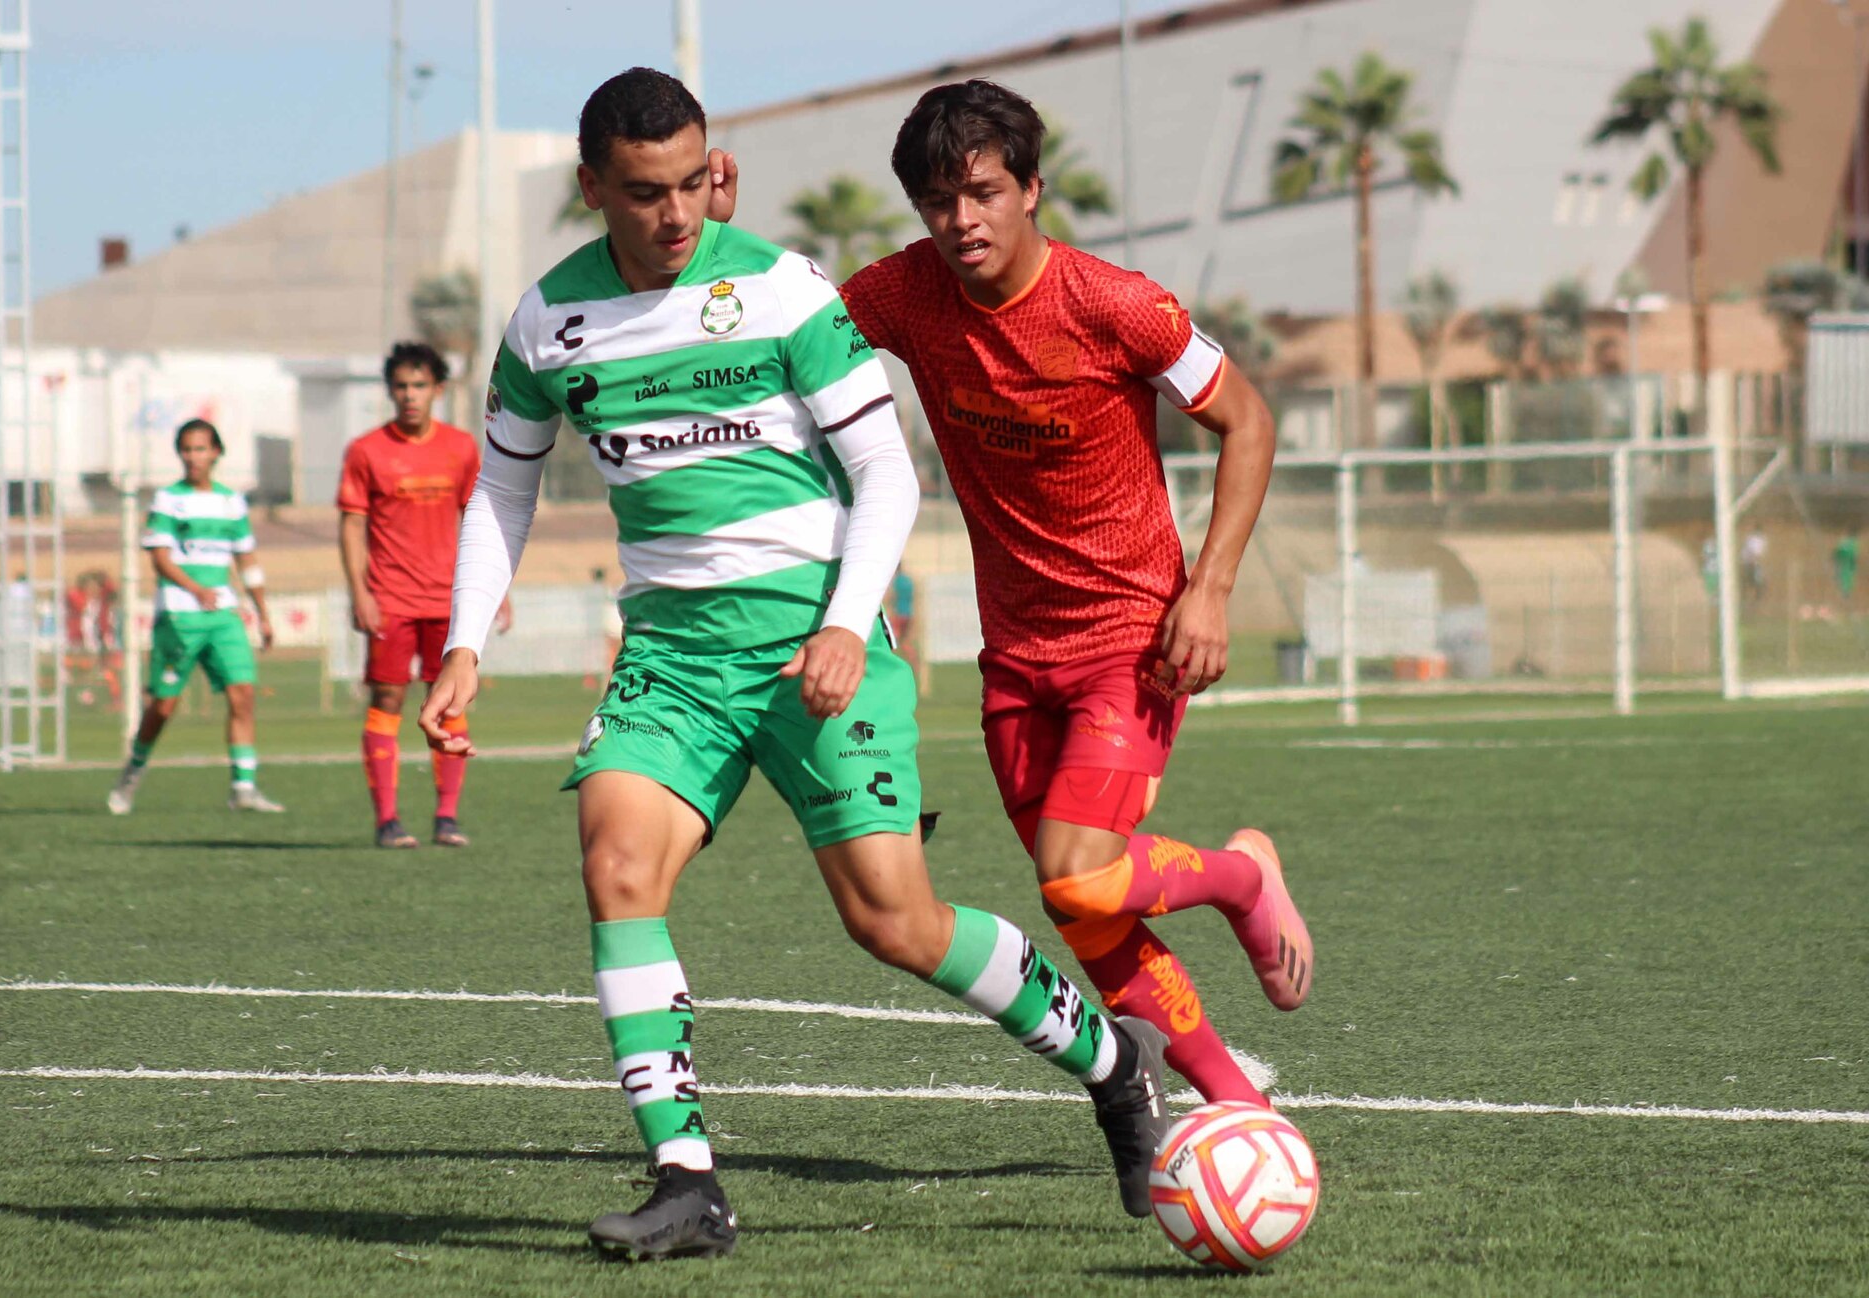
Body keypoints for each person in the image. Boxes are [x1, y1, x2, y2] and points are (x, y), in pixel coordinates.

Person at [418, 67, 1170, 1263]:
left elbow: (886, 474)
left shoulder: (780, 288)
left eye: (690, 183)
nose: (676, 213)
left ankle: (1115, 1058)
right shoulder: (545, 322)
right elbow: (504, 482)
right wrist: (464, 639)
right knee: (616, 860)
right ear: (592, 187)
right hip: (672, 654)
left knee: (894, 919)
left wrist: (843, 620)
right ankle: (685, 1178)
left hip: (822, 638)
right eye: (645, 192)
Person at [778, 80, 1310, 1110]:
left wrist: (1210, 590)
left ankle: (1243, 878)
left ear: (1031, 187)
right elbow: (790, 337)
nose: (960, 221)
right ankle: (1232, 1103)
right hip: (1014, 653)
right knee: (1087, 908)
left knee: (1076, 870)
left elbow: (1250, 420)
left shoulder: (1118, 304)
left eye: (980, 192)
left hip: (1132, 636)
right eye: (937, 201)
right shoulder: (901, 293)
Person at [338, 342, 508, 849]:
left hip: (448, 600)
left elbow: (483, 520)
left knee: (451, 696)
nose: (409, 396)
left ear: (438, 389)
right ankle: (388, 820)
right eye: (401, 387)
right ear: (390, 391)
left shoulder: (459, 448)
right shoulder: (366, 451)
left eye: (419, 386)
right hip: (390, 597)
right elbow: (351, 525)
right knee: (387, 698)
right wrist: (360, 590)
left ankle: (447, 817)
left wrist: (495, 588)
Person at [107, 419, 281, 815]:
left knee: (243, 694)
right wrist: (194, 588)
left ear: (216, 452)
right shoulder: (169, 500)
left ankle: (244, 787)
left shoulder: (231, 502)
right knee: (164, 707)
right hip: (180, 617)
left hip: (223, 616)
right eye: (186, 449)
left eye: (200, 449)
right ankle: (132, 771)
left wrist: (263, 613)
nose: (193, 457)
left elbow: (247, 560)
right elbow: (160, 558)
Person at [1834, 529, 1858, 604]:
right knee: (1844, 579)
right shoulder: (1850, 544)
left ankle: (1844, 594)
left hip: (1844, 564)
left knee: (1844, 579)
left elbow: (1838, 552)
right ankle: (1844, 594)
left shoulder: (1845, 543)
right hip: (1844, 564)